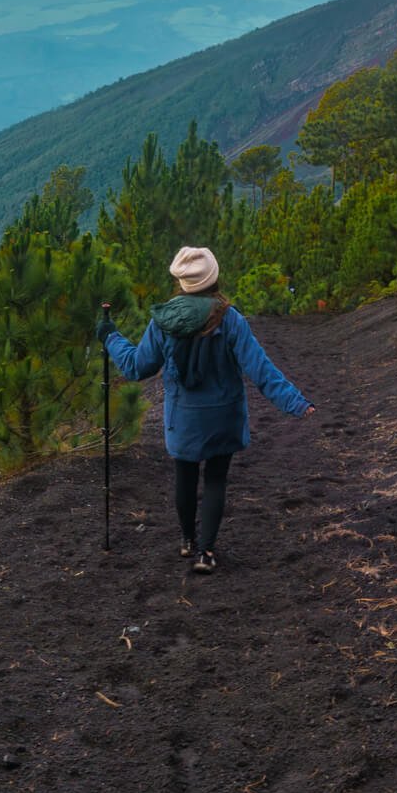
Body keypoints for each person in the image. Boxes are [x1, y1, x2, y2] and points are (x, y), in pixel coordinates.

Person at [95, 245, 315, 575]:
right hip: (223, 417)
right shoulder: (230, 319)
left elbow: (137, 367)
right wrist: (296, 402)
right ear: (214, 278)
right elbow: (260, 369)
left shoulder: (164, 321)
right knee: (215, 480)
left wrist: (111, 338)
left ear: (181, 281)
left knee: (184, 477)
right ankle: (206, 552)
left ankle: (187, 540)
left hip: (183, 419)